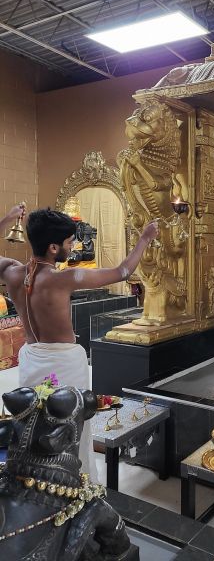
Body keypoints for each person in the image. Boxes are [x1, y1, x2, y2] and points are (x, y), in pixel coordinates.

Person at [0, 205, 158, 478]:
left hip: (31, 358)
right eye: (69, 242)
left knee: (34, 421)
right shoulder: (64, 278)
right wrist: (145, 238)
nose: (72, 247)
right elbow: (122, 271)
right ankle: (76, 481)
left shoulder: (12, 273)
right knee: (72, 428)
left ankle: (36, 480)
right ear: (53, 248)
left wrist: (8, 219)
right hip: (65, 364)